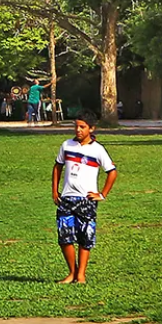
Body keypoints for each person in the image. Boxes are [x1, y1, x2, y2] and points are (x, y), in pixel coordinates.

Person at [52, 111, 118, 284]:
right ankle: (72, 272)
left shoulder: (98, 150)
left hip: (86, 200)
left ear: (91, 129)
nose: (78, 130)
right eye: (76, 126)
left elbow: (112, 172)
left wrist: (102, 194)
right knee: (64, 237)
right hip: (66, 198)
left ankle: (81, 274)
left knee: (85, 238)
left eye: (82, 127)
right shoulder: (67, 145)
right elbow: (57, 167)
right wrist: (55, 191)